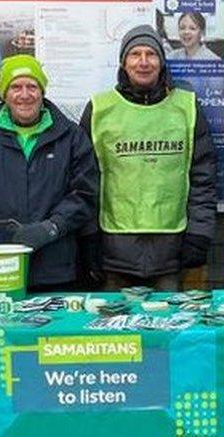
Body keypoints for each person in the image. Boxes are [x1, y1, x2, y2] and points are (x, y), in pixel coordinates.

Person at [80, 25, 216, 291]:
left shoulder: (186, 107)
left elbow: (203, 178)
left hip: (172, 255)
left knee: (173, 330)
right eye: (135, 54)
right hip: (113, 257)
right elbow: (84, 182)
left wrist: (200, 235)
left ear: (162, 62)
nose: (143, 62)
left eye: (151, 54)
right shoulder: (99, 109)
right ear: (123, 62)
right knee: (113, 332)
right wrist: (88, 240)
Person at [0, 55, 99, 292]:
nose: (24, 95)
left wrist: (52, 227)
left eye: (32, 87)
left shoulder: (70, 137)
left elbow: (84, 192)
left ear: (42, 92)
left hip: (57, 266)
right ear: (4, 94)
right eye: (15, 87)